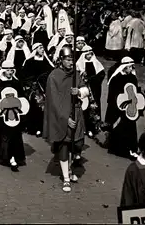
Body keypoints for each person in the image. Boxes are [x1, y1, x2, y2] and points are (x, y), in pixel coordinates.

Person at [43, 46, 90, 193]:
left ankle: (69, 169)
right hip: (62, 117)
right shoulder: (54, 76)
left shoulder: (76, 74)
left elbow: (86, 89)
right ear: (61, 60)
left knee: (77, 144)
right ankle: (66, 178)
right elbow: (54, 102)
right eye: (68, 59)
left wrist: (79, 91)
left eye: (73, 59)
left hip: (76, 114)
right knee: (64, 146)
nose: (71, 62)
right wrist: (64, 119)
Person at [0, 60, 29, 172]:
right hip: (3, 117)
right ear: (3, 71)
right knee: (5, 136)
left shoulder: (16, 83)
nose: (10, 72)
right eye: (7, 70)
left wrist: (23, 116)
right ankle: (9, 157)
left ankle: (15, 156)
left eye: (12, 70)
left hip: (16, 116)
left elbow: (22, 98)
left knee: (16, 136)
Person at [105, 57, 145, 159]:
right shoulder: (116, 79)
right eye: (130, 67)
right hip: (118, 110)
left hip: (130, 109)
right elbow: (113, 96)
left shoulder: (132, 77)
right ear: (124, 67)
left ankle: (132, 149)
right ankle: (120, 150)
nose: (131, 69)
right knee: (119, 129)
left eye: (132, 67)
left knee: (130, 129)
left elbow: (135, 91)